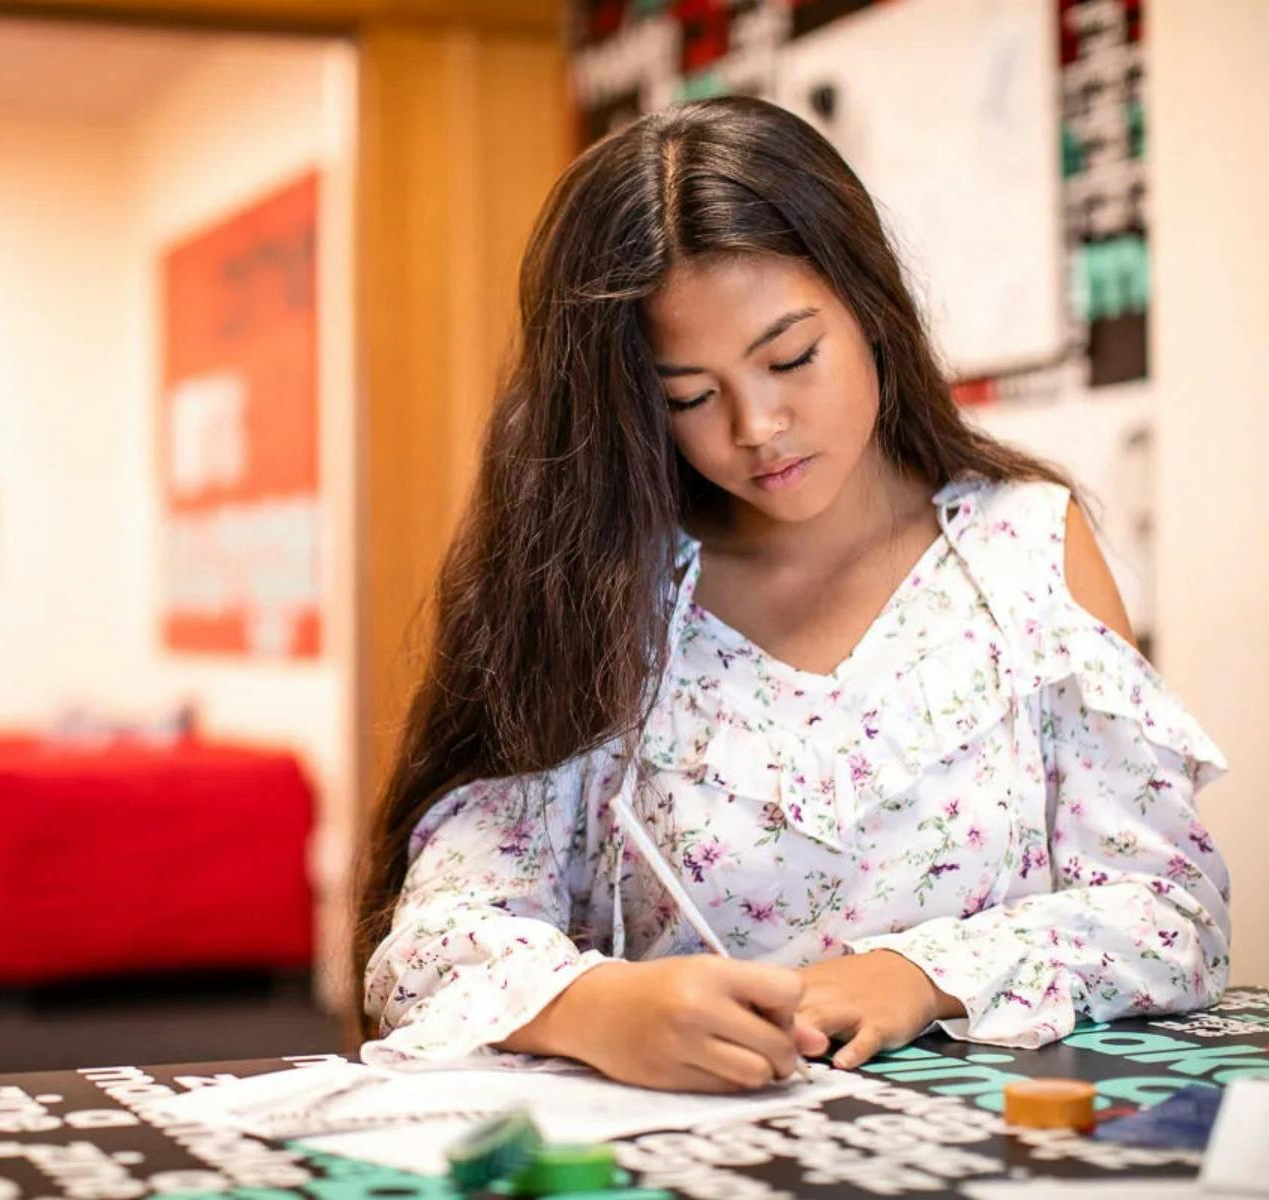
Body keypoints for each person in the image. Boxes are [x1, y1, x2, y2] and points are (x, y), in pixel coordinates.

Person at [352, 96, 1229, 1093]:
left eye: (791, 357)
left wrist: (921, 975)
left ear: (869, 307)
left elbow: (1170, 911)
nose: (758, 426)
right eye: (688, 396)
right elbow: (431, 940)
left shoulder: (1022, 552)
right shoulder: (602, 591)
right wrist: (587, 1007)